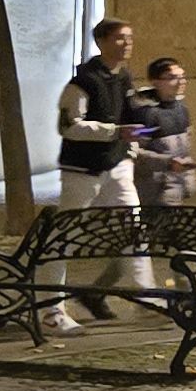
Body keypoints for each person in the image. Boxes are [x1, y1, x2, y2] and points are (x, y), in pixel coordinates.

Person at [48, 18, 143, 328]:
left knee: (135, 229)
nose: (127, 43)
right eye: (120, 38)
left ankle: (149, 301)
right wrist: (115, 132)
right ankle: (51, 310)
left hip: (116, 167)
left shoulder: (124, 77)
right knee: (65, 235)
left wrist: (128, 152)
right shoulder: (84, 81)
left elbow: (129, 116)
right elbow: (68, 126)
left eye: (129, 37)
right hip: (83, 171)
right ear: (102, 42)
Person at [130, 57, 196, 212]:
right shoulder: (145, 113)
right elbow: (134, 152)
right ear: (155, 81)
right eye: (172, 78)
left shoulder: (182, 109)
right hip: (154, 192)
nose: (180, 81)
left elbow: (185, 146)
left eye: (182, 76)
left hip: (178, 188)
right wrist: (167, 163)